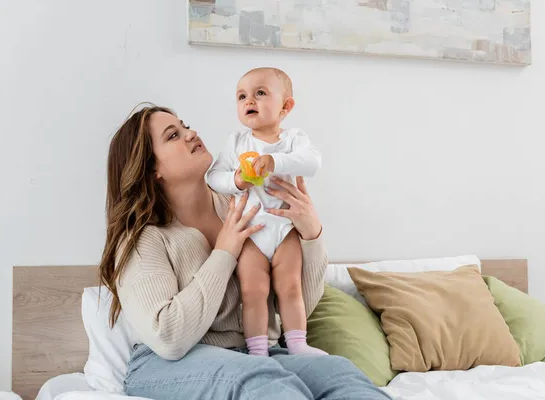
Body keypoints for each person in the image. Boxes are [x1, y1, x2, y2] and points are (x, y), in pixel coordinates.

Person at [98, 104, 392, 400]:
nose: (191, 134)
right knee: (262, 382)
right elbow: (168, 338)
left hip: (258, 354)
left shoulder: (246, 204)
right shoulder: (143, 238)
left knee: (339, 373)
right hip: (167, 364)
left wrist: (311, 235)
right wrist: (224, 253)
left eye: (185, 125)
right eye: (173, 135)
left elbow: (298, 302)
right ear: (152, 169)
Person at [206, 67, 325, 356]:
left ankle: (298, 344)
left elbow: (312, 163)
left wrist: (274, 162)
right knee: (253, 292)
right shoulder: (236, 142)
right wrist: (236, 180)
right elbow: (213, 176)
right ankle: (258, 351)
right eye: (242, 96)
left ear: (286, 106)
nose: (249, 101)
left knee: (291, 286)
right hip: (252, 233)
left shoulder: (294, 139)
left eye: (260, 93)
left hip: (285, 229)